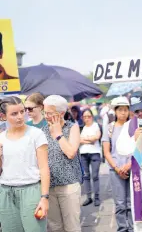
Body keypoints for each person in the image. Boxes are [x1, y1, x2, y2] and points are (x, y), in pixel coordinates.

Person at [0, 96, 50, 232]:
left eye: (22, 111)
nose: (20, 117)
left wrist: (44, 198)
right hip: (5, 192)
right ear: (3, 116)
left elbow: (44, 167)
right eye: (14, 113)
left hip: (31, 191)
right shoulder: (1, 138)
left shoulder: (36, 134)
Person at [42, 95, 82, 232]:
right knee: (54, 227)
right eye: (45, 112)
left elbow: (71, 153)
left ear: (61, 114)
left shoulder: (72, 127)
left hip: (69, 185)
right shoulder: (42, 131)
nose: (46, 116)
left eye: (49, 113)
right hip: (50, 186)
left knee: (72, 226)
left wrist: (58, 135)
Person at [116, 91, 142, 232]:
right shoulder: (130, 125)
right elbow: (121, 148)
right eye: (136, 110)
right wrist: (134, 139)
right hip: (140, 175)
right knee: (141, 216)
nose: (140, 113)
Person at [102, 96, 133, 232]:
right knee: (120, 204)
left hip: (132, 169)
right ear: (115, 111)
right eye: (120, 109)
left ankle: (133, 228)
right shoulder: (110, 128)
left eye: (126, 109)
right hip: (115, 170)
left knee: (132, 203)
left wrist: (129, 165)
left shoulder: (133, 126)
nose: (123, 112)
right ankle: (122, 228)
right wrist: (117, 168)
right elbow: (107, 151)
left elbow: (139, 148)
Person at [80, 108, 101, 207]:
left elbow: (96, 138)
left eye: (89, 116)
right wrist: (90, 139)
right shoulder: (82, 128)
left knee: (95, 176)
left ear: (92, 117)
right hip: (84, 154)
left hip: (95, 153)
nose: (87, 118)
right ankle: (89, 197)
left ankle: (97, 197)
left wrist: (85, 139)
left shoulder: (96, 125)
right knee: (86, 176)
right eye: (85, 117)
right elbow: (79, 140)